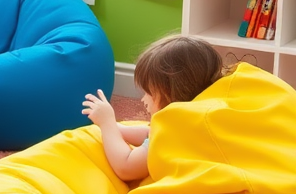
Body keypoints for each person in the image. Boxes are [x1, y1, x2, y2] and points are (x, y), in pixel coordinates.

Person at [82, 34, 224, 181]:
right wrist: (115, 128)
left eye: (149, 92)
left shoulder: (174, 132)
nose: (143, 99)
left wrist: (107, 124)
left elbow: (126, 167)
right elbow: (150, 134)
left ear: (169, 94)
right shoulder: (203, 114)